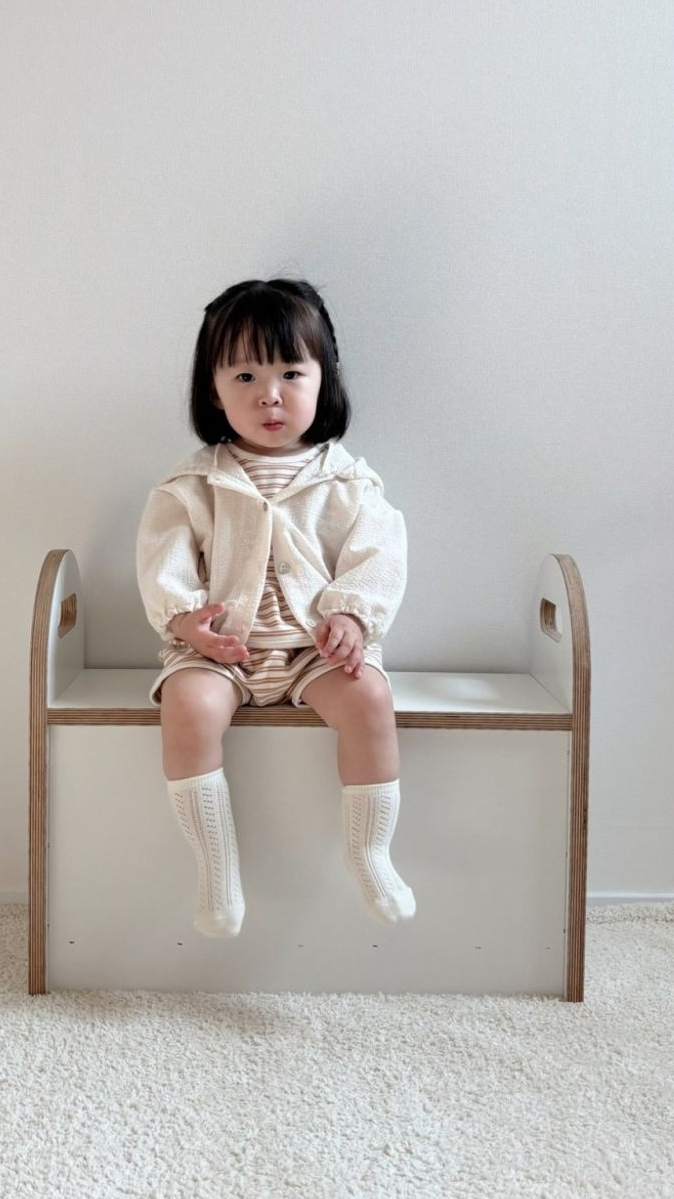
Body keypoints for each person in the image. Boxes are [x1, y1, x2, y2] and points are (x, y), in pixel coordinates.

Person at [136, 277, 415, 939]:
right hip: (218, 651)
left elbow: (380, 555)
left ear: (323, 380)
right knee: (187, 707)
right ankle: (216, 870)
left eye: (291, 373)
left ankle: (369, 852)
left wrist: (351, 615)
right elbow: (162, 560)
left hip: (314, 650)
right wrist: (185, 619)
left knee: (369, 700)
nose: (270, 393)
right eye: (245, 376)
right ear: (214, 390)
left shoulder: (347, 482)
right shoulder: (192, 484)